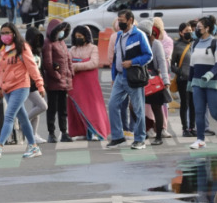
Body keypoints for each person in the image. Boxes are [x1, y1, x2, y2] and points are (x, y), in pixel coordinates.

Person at [0, 22, 45, 159]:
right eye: (2, 33)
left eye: (7, 33)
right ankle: (34, 146)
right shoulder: (1, 49)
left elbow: (32, 66)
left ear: (14, 34)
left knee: (9, 115)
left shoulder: (22, 48)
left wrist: (40, 84)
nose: (4, 36)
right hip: (7, 88)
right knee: (22, 118)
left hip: (21, 86)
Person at [106, 10, 153, 150]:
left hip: (134, 77)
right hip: (120, 77)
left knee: (138, 109)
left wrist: (132, 62)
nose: (119, 22)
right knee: (113, 105)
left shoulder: (139, 35)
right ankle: (118, 136)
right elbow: (116, 59)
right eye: (118, 19)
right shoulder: (119, 36)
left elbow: (148, 56)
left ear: (130, 20)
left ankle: (140, 139)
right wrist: (114, 77)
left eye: (122, 19)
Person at [68, 26, 110, 141]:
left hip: (90, 84)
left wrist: (77, 65)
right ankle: (83, 131)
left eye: (80, 36)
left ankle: (97, 132)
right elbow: (68, 64)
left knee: (93, 108)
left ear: (86, 36)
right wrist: (82, 63)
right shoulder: (72, 50)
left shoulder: (93, 48)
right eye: (76, 37)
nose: (78, 38)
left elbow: (94, 63)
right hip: (76, 84)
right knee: (78, 108)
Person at [137, 20, 170, 146]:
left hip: (153, 79)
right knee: (133, 106)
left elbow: (162, 63)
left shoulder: (156, 44)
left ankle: (159, 136)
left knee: (157, 107)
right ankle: (144, 131)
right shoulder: (137, 43)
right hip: (139, 78)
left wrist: (166, 81)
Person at [187, 15, 217, 150]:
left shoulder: (214, 43)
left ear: (207, 28)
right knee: (199, 111)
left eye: (199, 28)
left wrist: (210, 74)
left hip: (212, 83)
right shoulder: (195, 43)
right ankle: (200, 139)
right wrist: (190, 81)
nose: (196, 30)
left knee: (214, 112)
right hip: (197, 83)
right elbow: (192, 65)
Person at [42, 18, 74, 143]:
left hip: (65, 82)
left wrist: (70, 73)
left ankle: (64, 132)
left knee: (63, 109)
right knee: (52, 109)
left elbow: (68, 59)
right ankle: (51, 133)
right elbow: (48, 63)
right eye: (60, 30)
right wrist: (57, 76)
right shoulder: (48, 43)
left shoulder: (62, 43)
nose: (62, 33)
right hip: (54, 82)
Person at [24, 26, 49, 144]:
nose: (38, 41)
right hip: (29, 84)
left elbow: (40, 68)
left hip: (38, 83)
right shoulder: (25, 50)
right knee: (42, 106)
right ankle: (23, 122)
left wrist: (42, 83)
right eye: (35, 38)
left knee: (37, 109)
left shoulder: (38, 51)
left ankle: (33, 135)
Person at [171, 22, 196, 137]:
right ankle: (185, 128)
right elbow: (172, 65)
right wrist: (181, 72)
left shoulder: (195, 44)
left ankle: (192, 127)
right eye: (186, 31)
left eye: (190, 30)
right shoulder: (177, 45)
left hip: (194, 79)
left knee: (193, 104)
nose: (189, 33)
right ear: (181, 33)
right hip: (183, 79)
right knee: (185, 104)